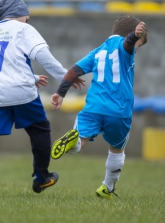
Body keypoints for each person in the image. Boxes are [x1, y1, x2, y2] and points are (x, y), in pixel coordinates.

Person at [0, 0, 84, 196]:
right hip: (22, 93)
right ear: (18, 13)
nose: (28, 20)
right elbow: (44, 57)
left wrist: (32, 77)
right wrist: (66, 76)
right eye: (27, 16)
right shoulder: (24, 29)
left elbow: (4, 64)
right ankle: (41, 177)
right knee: (40, 130)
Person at [50, 15, 147, 199]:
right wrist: (134, 36)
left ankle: (74, 142)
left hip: (93, 108)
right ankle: (107, 187)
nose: (136, 49)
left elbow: (73, 71)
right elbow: (127, 44)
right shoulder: (125, 45)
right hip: (119, 111)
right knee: (117, 149)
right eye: (139, 45)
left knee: (81, 140)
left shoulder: (97, 51)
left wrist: (60, 93)